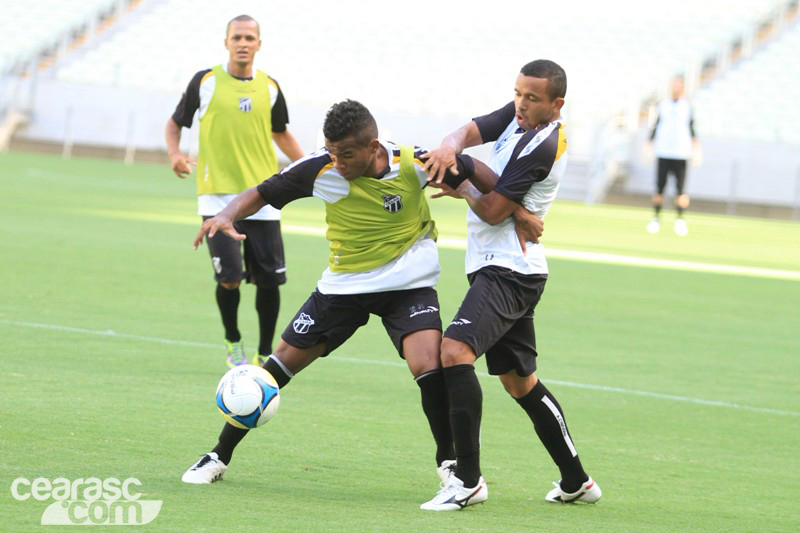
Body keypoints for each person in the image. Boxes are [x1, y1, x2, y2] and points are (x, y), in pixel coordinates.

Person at [180, 100, 541, 488]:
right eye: (332, 152)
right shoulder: (318, 168)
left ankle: (449, 462)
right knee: (276, 369)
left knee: (429, 367)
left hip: (408, 285)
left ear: (373, 148)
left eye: (346, 154)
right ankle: (218, 454)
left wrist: (515, 208)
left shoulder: (413, 163)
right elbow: (263, 191)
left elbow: (469, 168)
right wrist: (226, 215)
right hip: (343, 287)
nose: (337, 162)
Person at [419, 59, 601, 511]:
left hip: (509, 269)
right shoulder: (521, 114)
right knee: (519, 383)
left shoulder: (546, 142)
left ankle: (468, 481)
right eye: (517, 93)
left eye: (532, 98)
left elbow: (494, 209)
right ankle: (577, 480)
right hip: (502, 264)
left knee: (454, 350)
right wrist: (450, 148)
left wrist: (463, 181)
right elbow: (469, 133)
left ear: (556, 105)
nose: (520, 103)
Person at [165, 14, 304, 368]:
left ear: (259, 44)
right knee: (229, 280)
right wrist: (175, 154)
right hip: (216, 198)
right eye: (237, 37)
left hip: (263, 198)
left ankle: (264, 351)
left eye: (249, 38)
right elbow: (175, 123)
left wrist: (309, 165)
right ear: (226, 42)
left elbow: (280, 133)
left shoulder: (270, 87)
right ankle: (233, 342)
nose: (243, 43)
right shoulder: (206, 81)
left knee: (269, 282)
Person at [646, 75, 699, 237]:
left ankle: (680, 220)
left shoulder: (687, 107)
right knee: (659, 188)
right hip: (664, 152)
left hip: (681, 153)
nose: (676, 88)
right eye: (674, 85)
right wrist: (649, 144)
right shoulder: (662, 106)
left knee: (680, 191)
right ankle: (656, 218)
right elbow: (656, 126)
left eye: (679, 85)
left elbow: (692, 129)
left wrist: (696, 149)